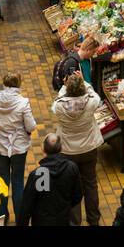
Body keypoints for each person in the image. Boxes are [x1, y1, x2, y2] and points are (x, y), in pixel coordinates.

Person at [0, 72, 37, 224]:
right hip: (18, 147)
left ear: (4, 83)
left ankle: (2, 217)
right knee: (18, 182)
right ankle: (20, 218)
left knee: (2, 182)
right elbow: (31, 126)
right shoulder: (23, 103)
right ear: (18, 84)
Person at [52, 71, 103, 225]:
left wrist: (65, 85)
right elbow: (94, 93)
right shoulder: (91, 103)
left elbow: (58, 98)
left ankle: (75, 222)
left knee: (72, 187)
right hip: (89, 149)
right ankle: (93, 219)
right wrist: (84, 81)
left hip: (68, 151)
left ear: (67, 89)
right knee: (90, 184)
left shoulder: (59, 107)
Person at [18, 133, 82, 227]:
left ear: (43, 149)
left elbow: (27, 205)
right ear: (61, 148)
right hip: (63, 220)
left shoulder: (37, 175)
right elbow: (78, 196)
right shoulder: (71, 168)